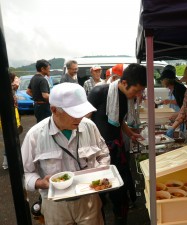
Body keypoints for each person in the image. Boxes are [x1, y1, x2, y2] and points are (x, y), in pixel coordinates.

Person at [21, 82, 110, 225]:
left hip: (89, 200)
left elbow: (103, 153)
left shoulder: (89, 126)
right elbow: (25, 173)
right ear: (54, 109)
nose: (80, 118)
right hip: (55, 205)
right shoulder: (35, 135)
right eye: (74, 113)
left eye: (81, 112)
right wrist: (40, 183)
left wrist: (101, 171)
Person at [88, 63, 147, 225]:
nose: (138, 94)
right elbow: (84, 122)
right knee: (98, 192)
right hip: (97, 152)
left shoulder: (124, 97)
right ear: (124, 82)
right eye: (136, 90)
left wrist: (130, 134)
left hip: (117, 149)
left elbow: (118, 120)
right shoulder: (99, 92)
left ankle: (121, 219)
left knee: (120, 191)